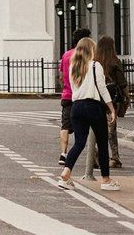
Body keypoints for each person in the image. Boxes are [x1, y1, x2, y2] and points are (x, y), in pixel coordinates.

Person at [57, 36, 118, 192]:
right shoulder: (95, 65)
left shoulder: (73, 67)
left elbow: (72, 88)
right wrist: (111, 108)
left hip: (76, 107)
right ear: (91, 49)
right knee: (102, 143)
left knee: (79, 143)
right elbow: (102, 88)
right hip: (93, 106)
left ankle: (66, 173)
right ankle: (106, 179)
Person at [96, 36, 130, 170]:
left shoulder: (95, 61)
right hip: (112, 99)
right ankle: (115, 157)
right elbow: (122, 82)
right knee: (111, 130)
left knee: (97, 129)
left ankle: (96, 156)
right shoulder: (115, 61)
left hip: (97, 98)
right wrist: (127, 97)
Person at [57, 27, 89, 165]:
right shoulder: (86, 55)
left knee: (65, 126)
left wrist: (65, 86)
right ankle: (92, 156)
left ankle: (63, 153)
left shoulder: (66, 55)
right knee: (84, 127)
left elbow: (61, 75)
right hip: (81, 96)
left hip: (67, 95)